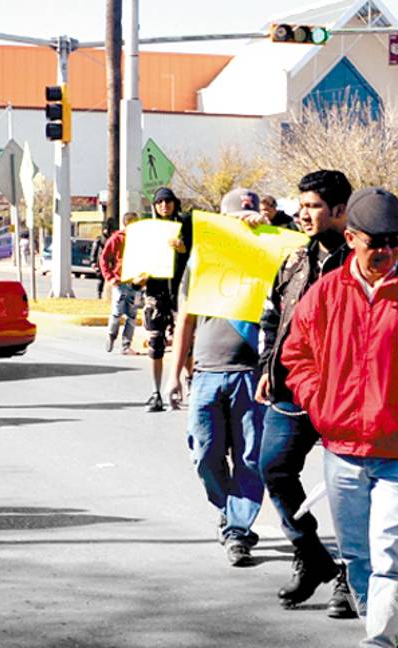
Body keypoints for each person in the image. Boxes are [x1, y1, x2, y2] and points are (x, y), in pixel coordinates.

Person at [280, 187, 398, 648]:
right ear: (351, 238)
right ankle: (376, 624)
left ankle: (381, 640)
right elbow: (297, 354)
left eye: (396, 241)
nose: (387, 251)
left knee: (389, 554)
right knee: (358, 558)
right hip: (343, 453)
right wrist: (320, 402)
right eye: (377, 241)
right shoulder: (325, 294)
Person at [254, 170, 357, 617]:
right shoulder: (295, 260)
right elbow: (272, 318)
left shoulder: (360, 262)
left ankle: (354, 579)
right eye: (302, 204)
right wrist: (266, 368)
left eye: (313, 205)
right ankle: (312, 556)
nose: (303, 212)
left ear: (339, 211)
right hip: (292, 389)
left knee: (351, 488)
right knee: (273, 468)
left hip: (346, 392)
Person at [167, 188, 267, 567]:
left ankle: (237, 531)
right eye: (235, 218)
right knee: (205, 454)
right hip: (207, 372)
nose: (243, 223)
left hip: (251, 374)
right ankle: (230, 509)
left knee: (249, 457)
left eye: (250, 216)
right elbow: (186, 319)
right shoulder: (202, 261)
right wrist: (175, 374)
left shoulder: (269, 260)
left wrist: (268, 229)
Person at [140, 186, 190, 412]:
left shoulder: (186, 226)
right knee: (155, 342)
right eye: (160, 202)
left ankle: (190, 385)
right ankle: (155, 392)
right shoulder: (147, 230)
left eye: (168, 201)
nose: (164, 206)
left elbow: (199, 255)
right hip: (155, 294)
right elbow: (135, 263)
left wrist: (183, 249)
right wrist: (137, 280)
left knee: (187, 342)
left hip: (181, 292)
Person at [99, 212, 141, 354]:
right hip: (120, 282)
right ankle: (111, 335)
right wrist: (110, 277)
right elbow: (104, 258)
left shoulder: (141, 240)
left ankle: (126, 345)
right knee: (117, 313)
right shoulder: (117, 239)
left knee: (132, 315)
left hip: (136, 284)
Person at [90, 222, 111, 299]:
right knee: (101, 280)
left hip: (109, 262)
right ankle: (99, 294)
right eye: (106, 229)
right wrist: (93, 262)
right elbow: (94, 252)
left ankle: (107, 295)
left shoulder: (111, 239)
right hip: (100, 263)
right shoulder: (99, 240)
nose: (107, 231)